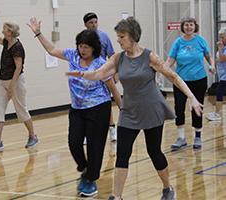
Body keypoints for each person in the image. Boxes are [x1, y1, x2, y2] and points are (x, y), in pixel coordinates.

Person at [66, 17, 203, 200]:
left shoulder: (150, 57)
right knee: (122, 154)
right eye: (118, 36)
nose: (118, 40)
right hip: (129, 112)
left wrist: (192, 97)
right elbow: (100, 73)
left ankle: (167, 188)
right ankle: (117, 195)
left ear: (132, 37)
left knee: (154, 152)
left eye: (122, 36)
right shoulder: (118, 58)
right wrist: (83, 73)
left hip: (151, 110)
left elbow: (173, 77)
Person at [27, 17, 121, 197]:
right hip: (77, 109)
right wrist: (38, 33)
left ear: (94, 47)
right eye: (80, 46)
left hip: (99, 108)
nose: (82, 49)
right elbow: (52, 49)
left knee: (95, 146)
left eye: (86, 47)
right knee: (74, 143)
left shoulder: (101, 64)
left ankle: (90, 180)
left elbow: (113, 89)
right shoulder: (72, 56)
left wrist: (123, 109)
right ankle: (85, 169)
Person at [0, 10, 38, 151]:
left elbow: (18, 68)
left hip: (16, 81)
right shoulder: (5, 42)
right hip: (2, 80)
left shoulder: (17, 47)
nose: (2, 31)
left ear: (10, 32)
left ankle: (33, 136)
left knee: (21, 110)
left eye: (5, 29)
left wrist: (12, 87)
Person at [166, 17, 215, 151]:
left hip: (199, 80)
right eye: (186, 25)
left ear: (195, 27)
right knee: (179, 107)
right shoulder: (178, 42)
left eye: (191, 25)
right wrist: (163, 70)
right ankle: (181, 137)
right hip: (180, 81)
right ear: (183, 27)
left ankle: (197, 136)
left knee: (197, 108)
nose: (188, 27)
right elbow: (171, 59)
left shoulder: (200, 41)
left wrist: (212, 65)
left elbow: (208, 56)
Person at [83, 12, 117, 142]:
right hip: (88, 74)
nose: (94, 25)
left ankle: (112, 128)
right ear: (86, 24)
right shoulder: (83, 38)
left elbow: (111, 56)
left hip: (103, 74)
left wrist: (114, 73)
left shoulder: (104, 36)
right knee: (87, 103)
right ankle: (87, 132)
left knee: (105, 101)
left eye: (96, 22)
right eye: (91, 22)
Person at [206, 27, 226, 121]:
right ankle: (217, 113)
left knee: (219, 91)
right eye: (220, 37)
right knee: (219, 91)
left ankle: (217, 114)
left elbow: (222, 59)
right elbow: (219, 60)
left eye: (222, 37)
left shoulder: (223, 48)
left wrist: (220, 48)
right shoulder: (224, 47)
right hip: (222, 75)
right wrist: (213, 67)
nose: (220, 39)